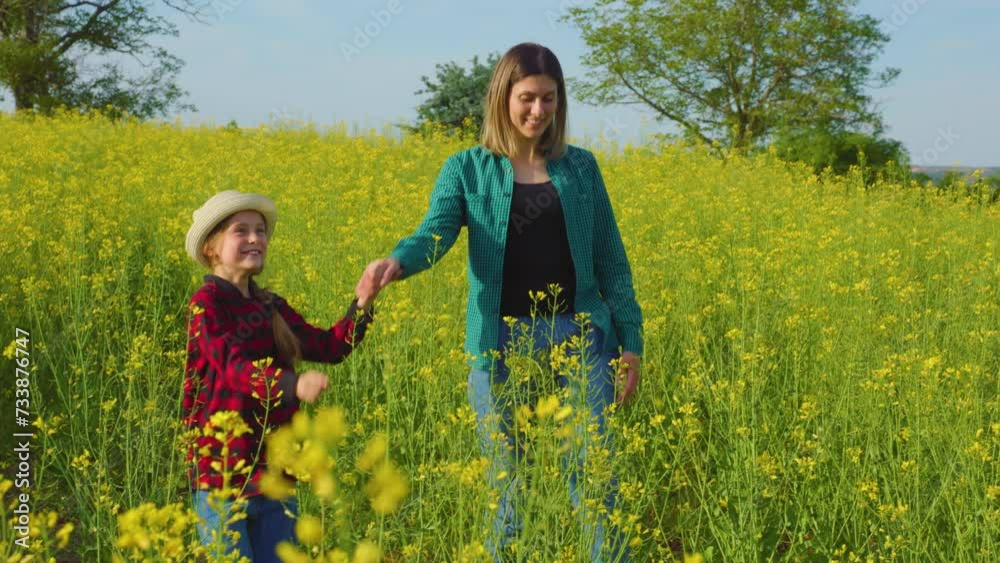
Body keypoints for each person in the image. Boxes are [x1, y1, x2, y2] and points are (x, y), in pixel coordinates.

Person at [356, 43, 643, 561]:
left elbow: (611, 259)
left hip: (582, 338)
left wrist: (631, 341)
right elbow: (434, 233)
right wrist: (396, 263)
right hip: (498, 341)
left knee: (594, 473)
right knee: (508, 478)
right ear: (501, 97)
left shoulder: (581, 169)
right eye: (527, 98)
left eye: (550, 100)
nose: (538, 112)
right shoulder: (467, 168)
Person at [182, 190, 375, 562]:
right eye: (242, 231)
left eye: (260, 230)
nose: (256, 238)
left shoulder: (271, 305)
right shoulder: (205, 304)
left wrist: (362, 305)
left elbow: (329, 347)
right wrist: (292, 384)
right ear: (212, 247)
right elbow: (232, 366)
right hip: (222, 475)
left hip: (275, 474)